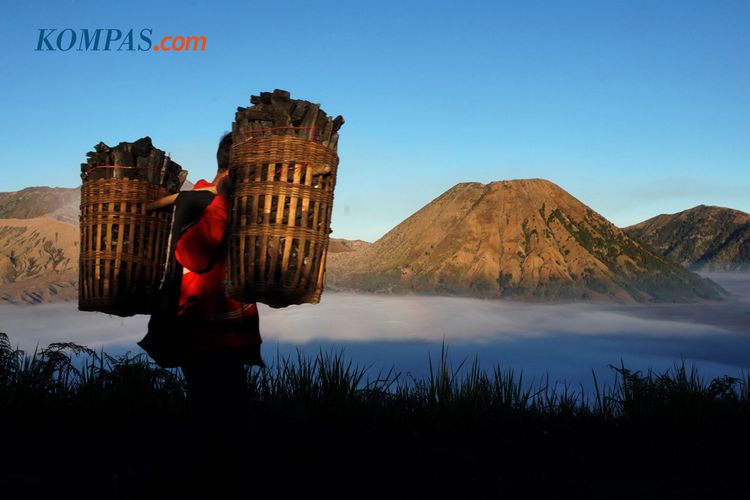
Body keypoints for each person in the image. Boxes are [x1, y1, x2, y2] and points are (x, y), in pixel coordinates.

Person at [140, 132, 265, 440]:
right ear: (233, 169)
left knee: (226, 423)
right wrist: (223, 198)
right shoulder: (197, 203)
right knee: (224, 428)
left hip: (227, 339)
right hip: (204, 339)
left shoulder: (228, 206)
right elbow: (191, 255)